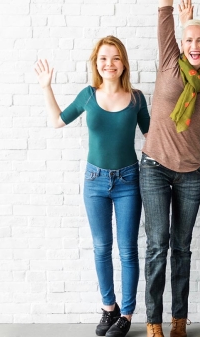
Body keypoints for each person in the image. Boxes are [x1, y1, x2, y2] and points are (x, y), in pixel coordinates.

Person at [34, 35, 150, 337]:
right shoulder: (88, 95)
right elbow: (58, 121)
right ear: (96, 63)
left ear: (123, 63)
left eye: (114, 58)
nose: (109, 64)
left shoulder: (137, 98)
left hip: (128, 181)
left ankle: (125, 315)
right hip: (94, 181)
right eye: (103, 59)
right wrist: (46, 86)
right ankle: (108, 309)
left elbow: (153, 135)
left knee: (127, 251)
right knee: (101, 248)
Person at [140, 0, 200, 336]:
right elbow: (164, 9)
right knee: (157, 245)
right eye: (188, 39)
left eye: (199, 41)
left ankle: (179, 320)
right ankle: (154, 321)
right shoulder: (170, 62)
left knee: (183, 247)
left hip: (193, 172)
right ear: (180, 43)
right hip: (155, 166)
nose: (193, 46)